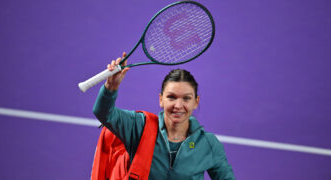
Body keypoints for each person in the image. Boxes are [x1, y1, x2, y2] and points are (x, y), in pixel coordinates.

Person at [93, 52, 236, 180]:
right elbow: (104, 113)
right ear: (161, 99)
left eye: (186, 98)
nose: (178, 106)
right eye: (171, 97)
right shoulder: (139, 127)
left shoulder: (208, 144)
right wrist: (111, 87)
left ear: (196, 102)